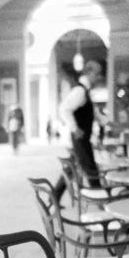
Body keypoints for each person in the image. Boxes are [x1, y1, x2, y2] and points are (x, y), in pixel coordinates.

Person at [54, 60, 104, 201]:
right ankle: (101, 201)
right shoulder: (80, 91)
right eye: (97, 73)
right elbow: (64, 108)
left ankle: (54, 197)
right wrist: (75, 129)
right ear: (89, 72)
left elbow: (91, 113)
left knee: (71, 169)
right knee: (90, 169)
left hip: (82, 139)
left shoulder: (85, 91)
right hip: (80, 139)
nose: (99, 77)